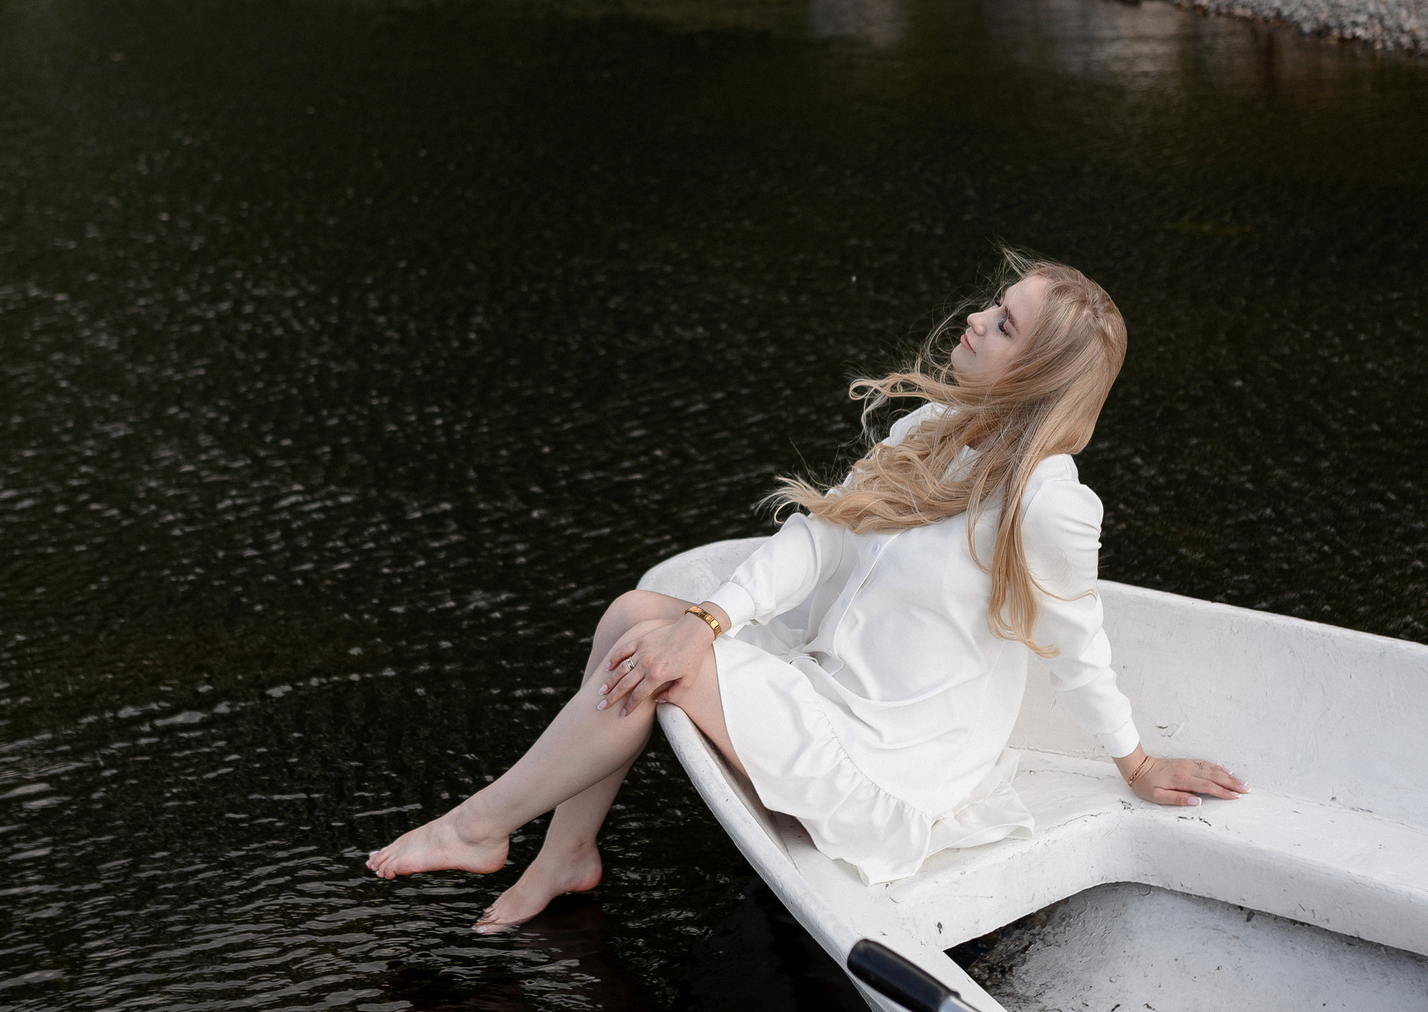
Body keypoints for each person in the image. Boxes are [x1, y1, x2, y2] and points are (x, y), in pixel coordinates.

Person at [366, 253, 1246, 930]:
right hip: (833, 684)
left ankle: (481, 826)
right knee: (635, 615)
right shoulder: (931, 428)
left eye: (1005, 324)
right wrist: (712, 618)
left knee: (654, 656)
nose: (975, 319)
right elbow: (820, 539)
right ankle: (566, 851)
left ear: (1036, 373)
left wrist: (1133, 762)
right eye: (994, 305)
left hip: (894, 753)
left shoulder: (1047, 501)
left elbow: (1078, 638)